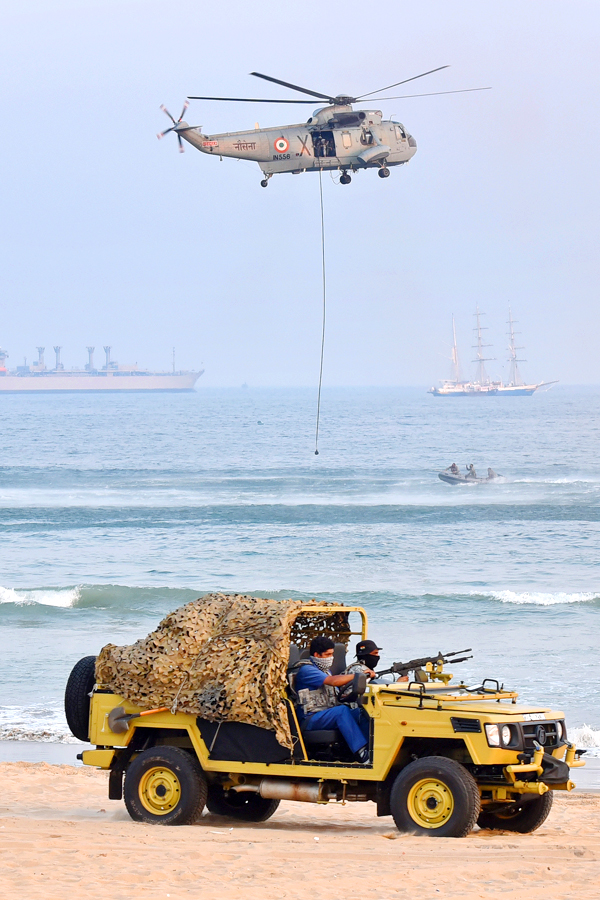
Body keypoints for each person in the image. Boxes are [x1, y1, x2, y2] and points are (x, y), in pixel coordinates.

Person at [293, 636, 371, 763]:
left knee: (362, 712)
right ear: (317, 654)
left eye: (332, 654)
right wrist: (359, 675)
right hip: (311, 718)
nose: (331, 658)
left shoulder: (325, 671)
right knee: (341, 712)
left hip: (325, 714)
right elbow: (333, 681)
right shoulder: (307, 670)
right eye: (327, 654)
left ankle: (370, 748)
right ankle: (361, 753)